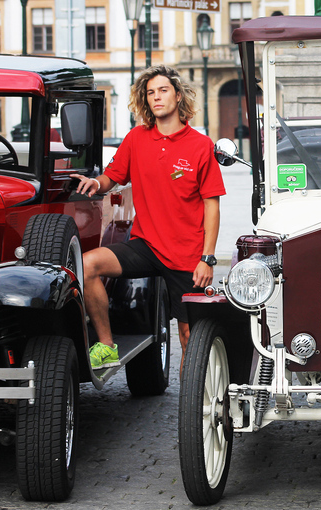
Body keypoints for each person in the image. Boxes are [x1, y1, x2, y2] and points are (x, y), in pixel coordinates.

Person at [73, 64, 226, 371]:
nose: (157, 98)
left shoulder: (200, 145)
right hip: (146, 246)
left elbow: (212, 206)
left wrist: (207, 259)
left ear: (178, 96)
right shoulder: (136, 138)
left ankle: (193, 411)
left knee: (188, 340)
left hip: (186, 256)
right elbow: (113, 176)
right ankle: (106, 346)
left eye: (163, 90)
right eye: (151, 92)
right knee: (88, 264)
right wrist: (97, 184)